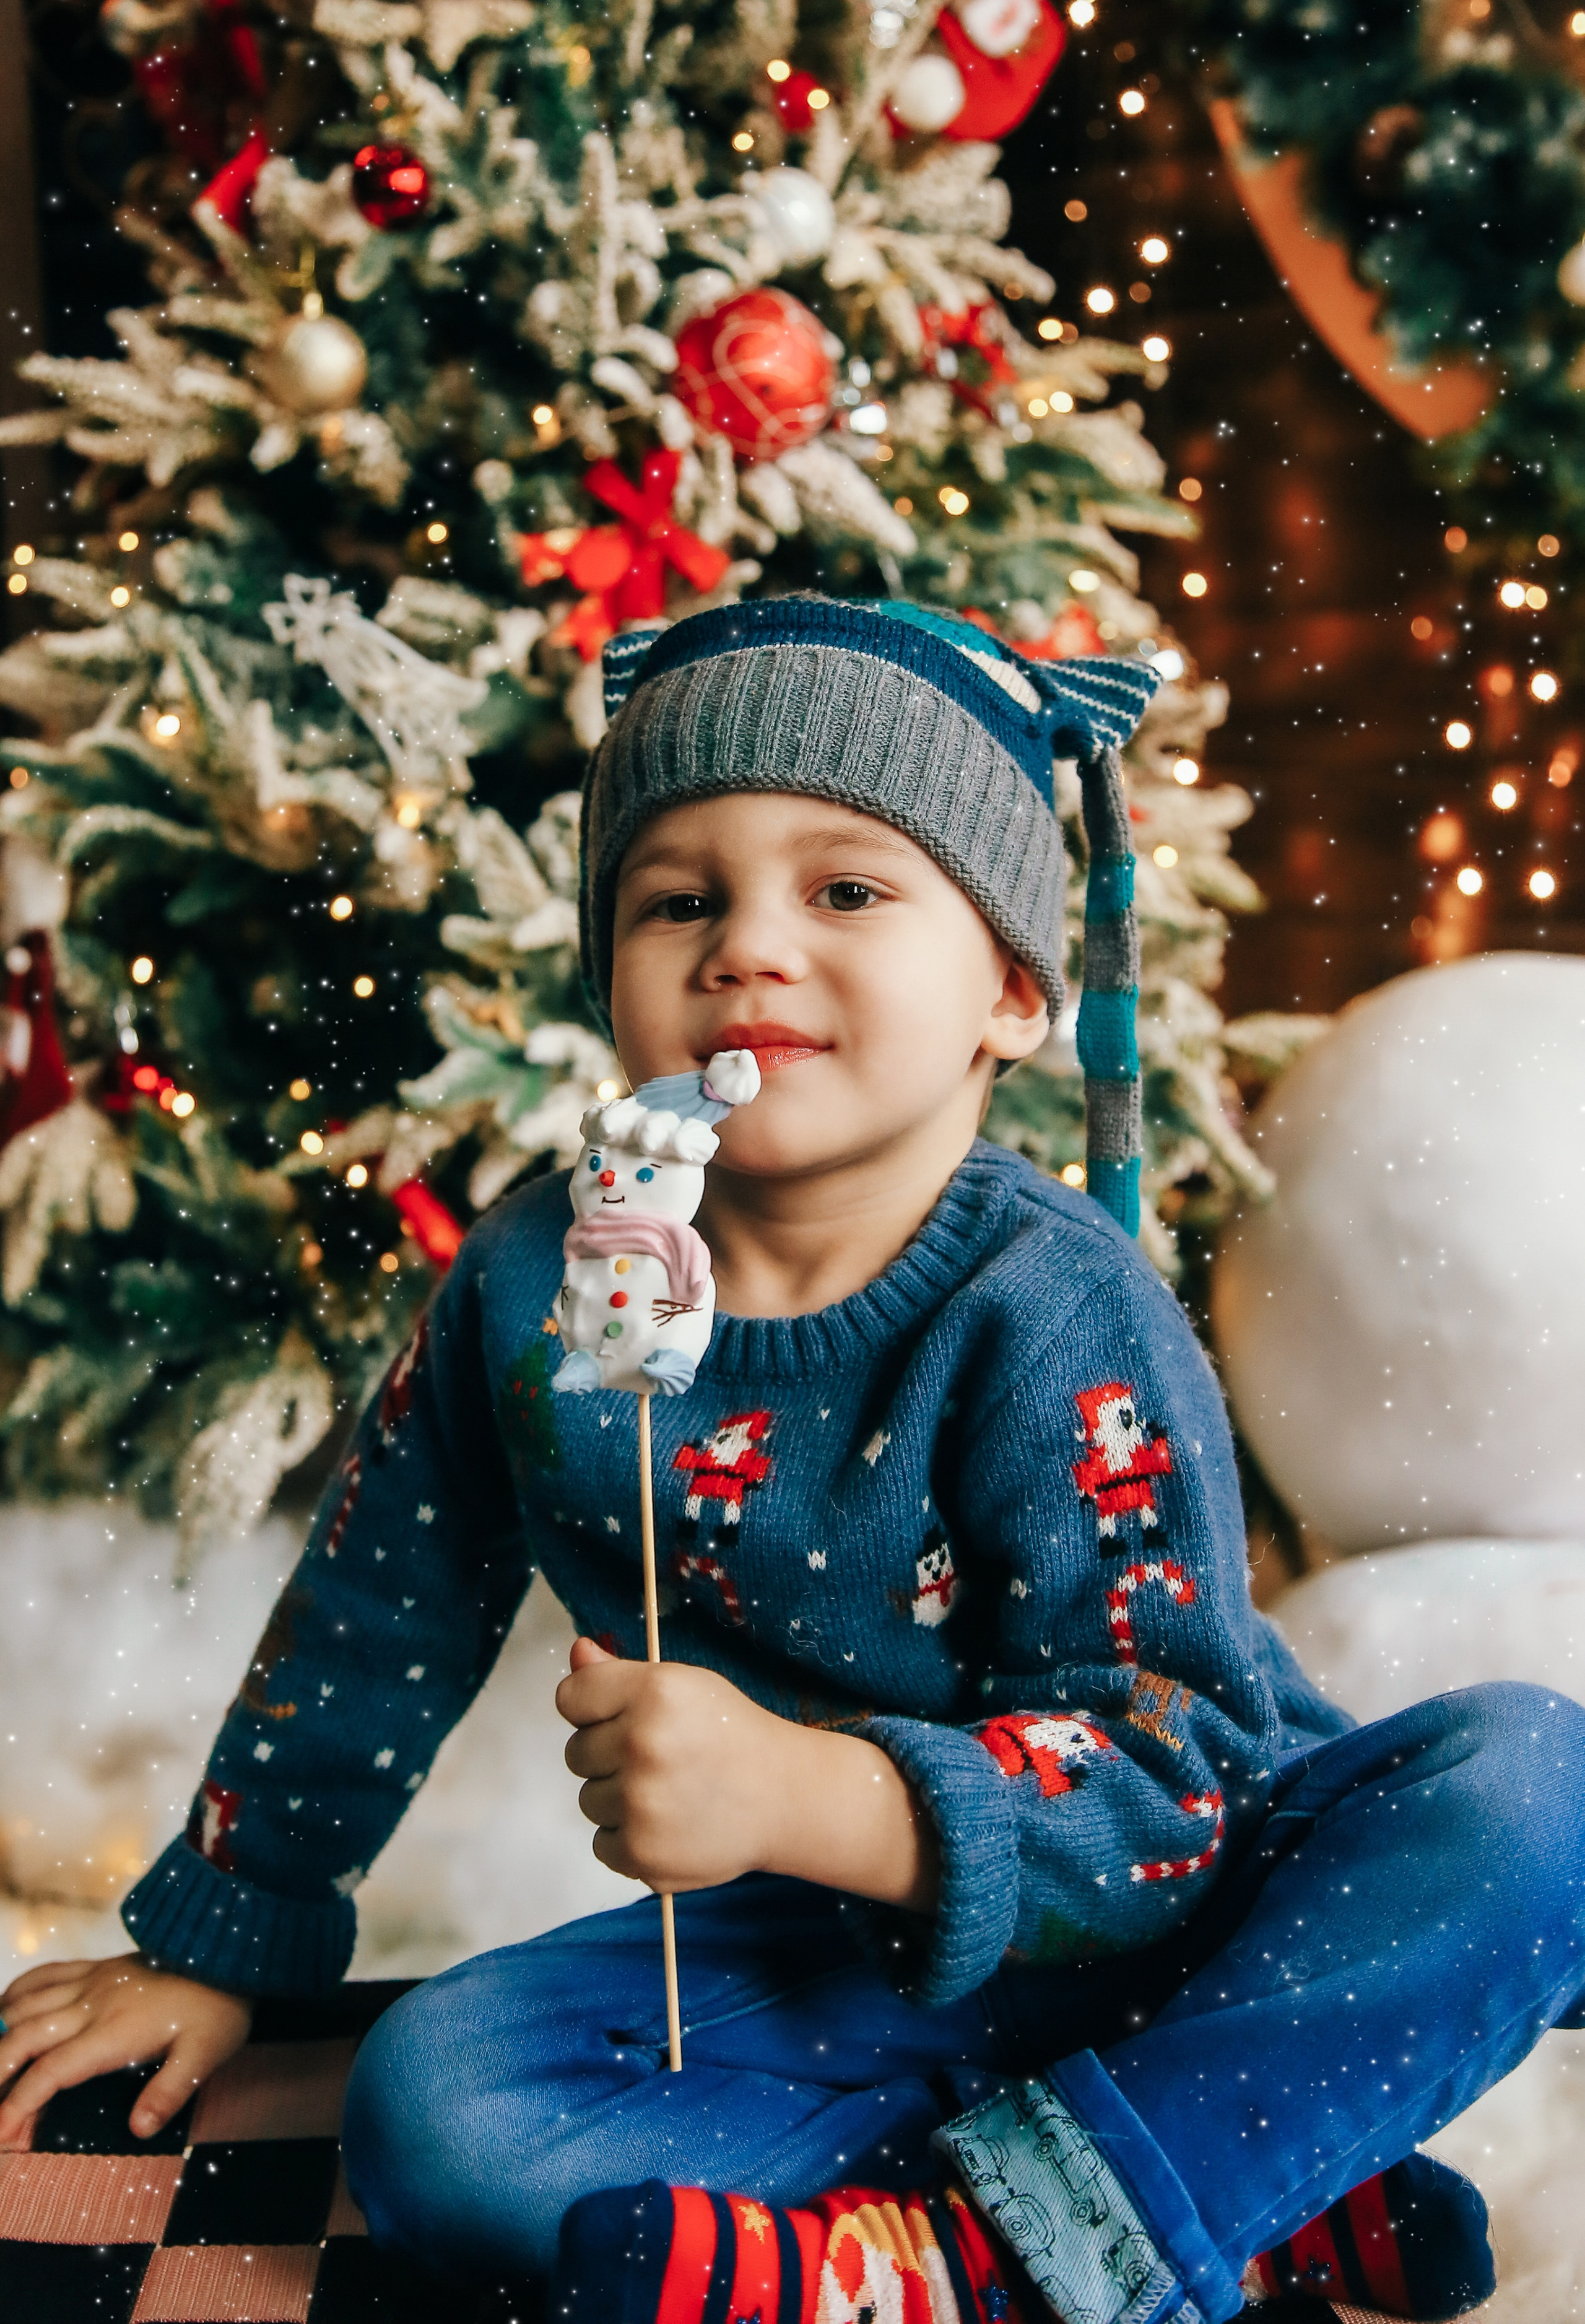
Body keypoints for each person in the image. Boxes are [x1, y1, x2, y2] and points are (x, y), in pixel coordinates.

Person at [1, 596, 1578, 2324]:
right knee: (436, 2113)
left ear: (1011, 991)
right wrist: (228, 1938)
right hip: (825, 1962)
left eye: (846, 892)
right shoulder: (538, 1286)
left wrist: (816, 1793)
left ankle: (1020, 2248)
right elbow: (380, 1609)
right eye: (679, 899)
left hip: (1178, 1923)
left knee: (1538, 1790)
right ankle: (1233, 2188)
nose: (747, 947)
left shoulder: (1056, 1314)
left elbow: (1173, 1779)